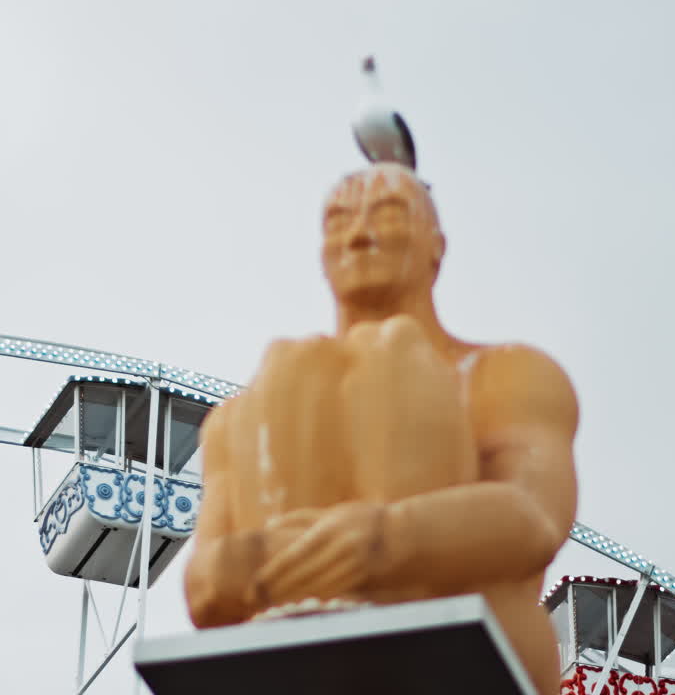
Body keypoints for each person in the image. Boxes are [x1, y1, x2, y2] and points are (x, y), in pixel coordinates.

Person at [183, 163, 579, 695]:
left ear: (436, 246)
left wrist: (389, 539)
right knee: (292, 364)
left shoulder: (506, 375)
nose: (358, 233)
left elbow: (533, 517)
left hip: (468, 665)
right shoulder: (242, 417)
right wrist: (278, 562)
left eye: (387, 214)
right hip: (299, 661)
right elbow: (204, 587)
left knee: (390, 355)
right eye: (338, 220)